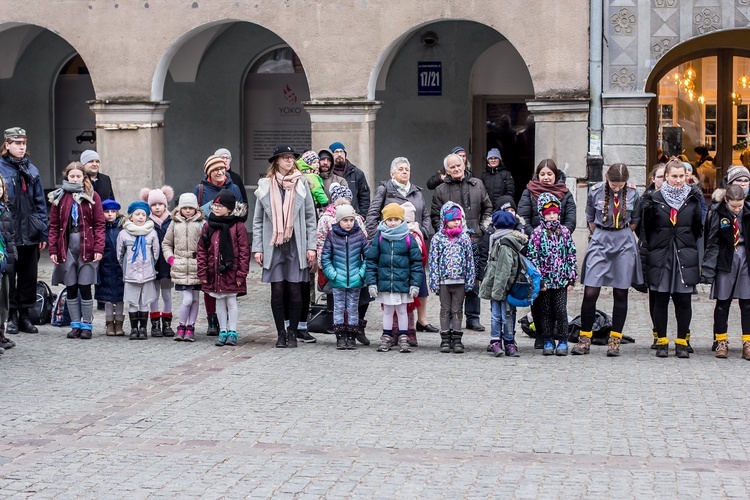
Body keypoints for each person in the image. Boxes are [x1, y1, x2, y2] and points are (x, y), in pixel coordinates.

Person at [573, 163, 643, 357]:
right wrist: (601, 236)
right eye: (614, 184)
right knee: (590, 291)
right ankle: (584, 338)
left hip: (623, 241)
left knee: (621, 293)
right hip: (601, 239)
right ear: (606, 177)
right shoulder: (595, 191)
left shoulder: (633, 193)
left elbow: (636, 219)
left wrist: (622, 235)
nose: (617, 188)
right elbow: (590, 218)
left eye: (620, 185)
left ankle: (615, 340)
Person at [252, 145, 317, 349]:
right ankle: (280, 333)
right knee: (277, 290)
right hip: (274, 244)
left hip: (296, 244)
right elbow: (258, 220)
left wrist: (311, 246)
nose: (289, 161)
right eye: (285, 157)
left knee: (296, 289)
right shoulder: (265, 185)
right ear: (276, 161)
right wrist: (258, 248)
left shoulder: (301, 183)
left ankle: (293, 333)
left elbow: (309, 217)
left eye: (291, 158)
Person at [642, 159, 703, 358]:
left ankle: (681, 342)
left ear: (687, 176)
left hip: (684, 254)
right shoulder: (654, 199)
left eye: (681, 176)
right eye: (674, 176)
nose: (678, 180)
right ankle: (661, 341)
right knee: (660, 299)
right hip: (661, 254)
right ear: (666, 176)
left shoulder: (693, 199)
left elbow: (697, 229)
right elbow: (648, 230)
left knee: (683, 300)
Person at [366, 156, 435, 332]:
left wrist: (423, 232)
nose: (405, 172)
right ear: (392, 173)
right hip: (390, 243)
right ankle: (395, 327)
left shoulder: (417, 191)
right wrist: (376, 239)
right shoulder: (384, 190)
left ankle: (420, 321)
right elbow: (373, 215)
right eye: (401, 169)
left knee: (417, 279)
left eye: (407, 169)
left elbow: (426, 215)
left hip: (414, 242)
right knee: (394, 283)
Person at [431, 153, 492, 331]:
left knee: (473, 278)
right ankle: (451, 316)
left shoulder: (477, 184)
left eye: (459, 165)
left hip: (475, 239)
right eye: (452, 167)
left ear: (463, 165)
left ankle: (473, 317)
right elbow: (436, 216)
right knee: (452, 281)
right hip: (451, 243)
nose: (456, 169)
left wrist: (482, 227)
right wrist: (445, 234)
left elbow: (488, 207)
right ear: (446, 170)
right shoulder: (440, 190)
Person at [48, 162, 105, 339]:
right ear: (67, 177)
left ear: (83, 177)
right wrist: (53, 250)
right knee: (71, 287)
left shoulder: (92, 195)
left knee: (85, 286)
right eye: (71, 176)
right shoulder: (60, 197)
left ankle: (86, 324)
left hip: (86, 246)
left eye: (78, 176)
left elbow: (99, 224)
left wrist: (99, 247)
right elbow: (54, 225)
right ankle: (74, 325)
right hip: (66, 247)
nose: (75, 179)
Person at [0, 127, 48, 335]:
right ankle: (10, 315)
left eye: (24, 143)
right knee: (9, 275)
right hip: (8, 232)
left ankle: (25, 315)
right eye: (17, 143)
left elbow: (40, 203)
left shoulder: (32, 170)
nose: (21, 147)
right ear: (7, 145)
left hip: (30, 232)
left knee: (28, 276)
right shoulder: (1, 169)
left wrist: (42, 231)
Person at [194, 155, 245, 337]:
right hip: (210, 237)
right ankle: (214, 322)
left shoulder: (234, 187)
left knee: (229, 299)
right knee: (213, 292)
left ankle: (231, 330)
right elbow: (195, 211)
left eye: (222, 168)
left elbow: (242, 210)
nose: (219, 172)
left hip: (229, 238)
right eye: (215, 169)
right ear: (208, 171)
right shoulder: (201, 189)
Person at [315, 183, 370, 345]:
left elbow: (367, 256)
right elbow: (325, 256)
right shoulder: (332, 235)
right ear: (338, 220)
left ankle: (352, 335)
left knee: (353, 307)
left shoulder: (359, 235)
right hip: (338, 278)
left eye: (351, 220)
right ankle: (340, 336)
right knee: (338, 307)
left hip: (355, 278)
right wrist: (332, 274)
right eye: (345, 220)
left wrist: (361, 273)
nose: (348, 223)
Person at [366, 203, 423, 353]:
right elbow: (371, 261)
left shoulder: (408, 238)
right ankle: (386, 335)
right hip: (385, 282)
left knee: (403, 310)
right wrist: (372, 282)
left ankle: (404, 337)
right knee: (387, 311)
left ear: (401, 220)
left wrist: (415, 284)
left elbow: (416, 263)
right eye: (389, 219)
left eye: (395, 219)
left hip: (402, 282)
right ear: (384, 220)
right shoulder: (379, 238)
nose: (392, 222)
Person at [702, 185, 750, 359]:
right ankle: (721, 340)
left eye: (740, 205)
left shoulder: (748, 212)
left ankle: (748, 342)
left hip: (745, 258)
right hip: (725, 259)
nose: (737, 209)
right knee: (723, 302)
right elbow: (711, 239)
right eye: (733, 206)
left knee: (747, 303)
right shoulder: (717, 212)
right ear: (726, 200)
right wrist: (709, 266)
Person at [526, 193, 578, 356]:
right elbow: (533, 257)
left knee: (561, 310)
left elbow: (571, 254)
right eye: (548, 213)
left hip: (561, 280)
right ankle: (547, 338)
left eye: (554, 213)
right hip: (545, 282)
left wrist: (571, 277)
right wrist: (538, 280)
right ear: (542, 214)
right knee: (545, 311)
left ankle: (563, 339)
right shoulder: (537, 233)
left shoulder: (564, 232)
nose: (552, 216)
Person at [198, 190, 249, 347]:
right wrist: (203, 271)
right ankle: (223, 330)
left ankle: (233, 331)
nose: (216, 208)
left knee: (231, 301)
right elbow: (201, 249)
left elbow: (244, 252)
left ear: (229, 208)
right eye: (215, 205)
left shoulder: (238, 226)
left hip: (231, 271)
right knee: (219, 301)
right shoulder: (208, 225)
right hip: (215, 272)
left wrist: (241, 274)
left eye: (220, 206)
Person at [427, 202, 475, 354]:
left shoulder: (465, 238)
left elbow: (469, 261)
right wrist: (434, 280)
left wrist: (469, 280)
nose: (456, 222)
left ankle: (457, 338)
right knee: (445, 309)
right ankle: (445, 338)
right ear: (444, 219)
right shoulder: (438, 239)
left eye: (458, 219)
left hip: (460, 281)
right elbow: (433, 260)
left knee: (457, 309)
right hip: (444, 282)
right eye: (452, 219)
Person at [479, 210, 527, 357]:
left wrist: (499, 291)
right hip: (504, 286)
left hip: (502, 287)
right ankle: (503, 342)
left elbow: (504, 270)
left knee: (501, 314)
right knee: (505, 314)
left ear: (495, 227)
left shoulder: (503, 243)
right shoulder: (506, 240)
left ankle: (505, 342)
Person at [162, 193, 205, 342]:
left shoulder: (202, 224)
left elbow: (207, 245)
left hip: (196, 266)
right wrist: (171, 259)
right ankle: (181, 326)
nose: (187, 211)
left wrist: (203, 260)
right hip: (180, 266)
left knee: (195, 299)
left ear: (196, 208)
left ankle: (190, 327)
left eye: (190, 208)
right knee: (187, 299)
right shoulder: (174, 223)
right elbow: (166, 243)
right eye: (185, 208)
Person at [117, 201, 160, 340]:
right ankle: (134, 328)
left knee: (144, 302)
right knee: (132, 301)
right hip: (131, 274)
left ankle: (143, 328)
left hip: (147, 273)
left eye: (143, 214)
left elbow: (156, 252)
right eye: (137, 214)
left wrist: (150, 266)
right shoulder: (124, 234)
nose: (140, 217)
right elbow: (120, 254)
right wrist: (126, 267)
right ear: (131, 216)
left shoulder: (152, 233)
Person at [141, 186, 175, 337]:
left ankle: (167, 323)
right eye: (153, 205)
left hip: (167, 265)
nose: (157, 207)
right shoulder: (147, 223)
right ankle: (155, 323)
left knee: (167, 295)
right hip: (152, 265)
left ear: (165, 204)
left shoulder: (172, 221)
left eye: (160, 204)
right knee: (153, 296)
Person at [517, 159, 576, 237]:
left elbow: (570, 221)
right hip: (534, 241)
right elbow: (523, 219)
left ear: (555, 175)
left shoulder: (565, 193)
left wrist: (559, 235)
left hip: (559, 241)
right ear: (538, 175)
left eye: (549, 174)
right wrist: (536, 235)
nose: (546, 177)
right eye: (542, 174)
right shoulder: (529, 192)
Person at [96, 199, 125, 336]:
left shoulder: (122, 227)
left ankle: (119, 324)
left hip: (120, 266)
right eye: (106, 211)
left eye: (113, 212)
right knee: (108, 298)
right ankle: (109, 324)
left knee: (120, 297)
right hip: (105, 266)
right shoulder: (100, 227)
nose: (109, 214)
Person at [328, 142, 370, 216]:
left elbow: (364, 197)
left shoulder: (357, 173)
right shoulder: (327, 174)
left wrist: (363, 216)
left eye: (342, 151)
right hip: (332, 215)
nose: (339, 154)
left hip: (353, 216)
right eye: (336, 152)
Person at [0, 175, 16, 351]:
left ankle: (1, 334)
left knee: (4, 300)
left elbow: (10, 237)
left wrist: (12, 257)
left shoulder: (5, 209)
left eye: (0, 187)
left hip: (4, 259)